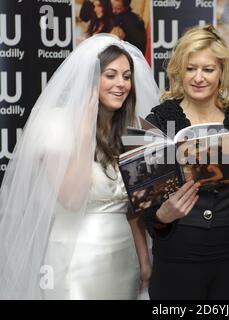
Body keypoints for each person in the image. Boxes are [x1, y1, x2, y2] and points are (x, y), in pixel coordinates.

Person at [0, 34, 160, 299]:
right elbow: (72, 198)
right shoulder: (55, 125)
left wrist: (144, 259)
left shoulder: (132, 132)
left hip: (123, 257)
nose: (121, 84)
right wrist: (86, 132)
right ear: (90, 80)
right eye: (111, 75)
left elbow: (133, 209)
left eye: (126, 76)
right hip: (76, 258)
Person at [142, 25, 229, 300]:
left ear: (222, 72)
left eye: (208, 69)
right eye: (191, 69)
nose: (198, 78)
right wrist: (161, 216)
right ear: (179, 70)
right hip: (176, 259)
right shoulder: (159, 121)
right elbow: (145, 202)